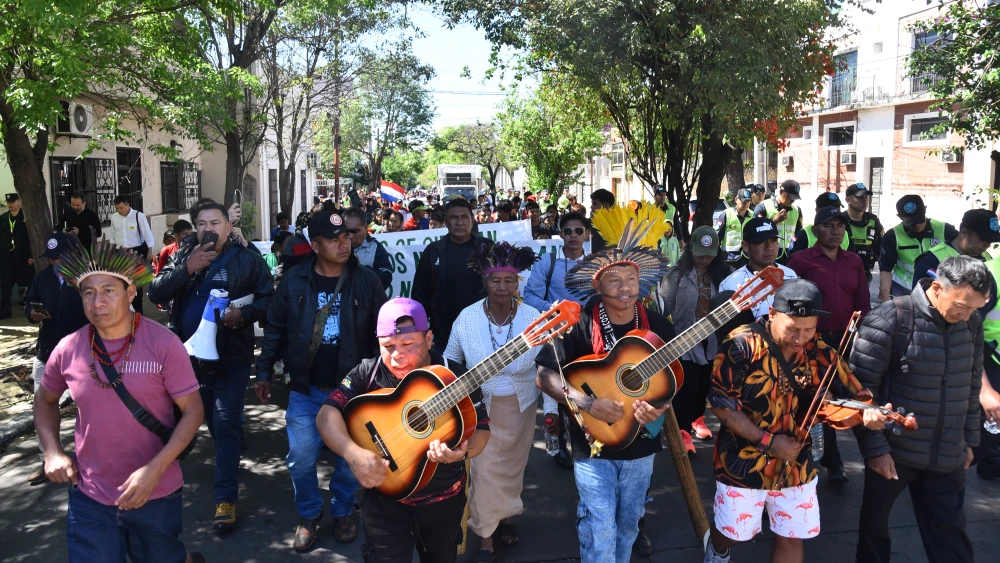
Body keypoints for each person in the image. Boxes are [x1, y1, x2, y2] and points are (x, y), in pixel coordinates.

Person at [33, 238, 206, 563]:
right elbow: (44, 401)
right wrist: (52, 451)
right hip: (90, 497)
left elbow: (193, 410)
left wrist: (156, 469)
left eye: (108, 290)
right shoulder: (68, 348)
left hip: (156, 492)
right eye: (88, 292)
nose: (97, 301)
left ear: (130, 293)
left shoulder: (163, 344)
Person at [703, 280, 888, 563]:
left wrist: (869, 412)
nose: (800, 338)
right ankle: (717, 547)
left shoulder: (819, 349)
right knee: (734, 532)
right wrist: (767, 441)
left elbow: (856, 392)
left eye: (809, 329)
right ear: (772, 313)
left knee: (792, 533)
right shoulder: (740, 345)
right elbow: (721, 405)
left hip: (796, 461)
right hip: (742, 458)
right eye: (792, 329)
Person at [536, 208, 674, 563]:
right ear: (597, 284)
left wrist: (660, 406)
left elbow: (672, 382)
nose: (624, 287)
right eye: (614, 280)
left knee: (629, 523)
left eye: (630, 278)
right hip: (591, 442)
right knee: (600, 526)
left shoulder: (658, 326)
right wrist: (586, 402)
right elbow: (545, 376)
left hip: (642, 443)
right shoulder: (579, 323)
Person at [317, 298, 490, 563]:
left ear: (429, 338)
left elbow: (482, 431)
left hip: (441, 502)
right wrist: (352, 454)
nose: (397, 356)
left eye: (408, 345)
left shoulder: (455, 377)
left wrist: (460, 455)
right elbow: (327, 413)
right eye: (388, 347)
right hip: (384, 501)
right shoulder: (369, 372)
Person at [256, 209, 387, 551]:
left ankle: (343, 509)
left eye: (347, 237)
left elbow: (382, 336)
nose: (344, 244)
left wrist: (383, 379)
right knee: (300, 457)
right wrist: (264, 369)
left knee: (349, 459)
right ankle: (310, 512)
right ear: (315, 245)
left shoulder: (367, 281)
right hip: (306, 389)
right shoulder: (294, 280)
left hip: (353, 392)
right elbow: (275, 327)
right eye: (334, 240)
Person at [851, 256, 987, 563]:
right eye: (962, 306)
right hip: (894, 451)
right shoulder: (890, 318)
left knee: (950, 534)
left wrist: (969, 439)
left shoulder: (971, 323)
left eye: (975, 309)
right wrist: (875, 450)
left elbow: (972, 384)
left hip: (947, 450)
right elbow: (860, 392)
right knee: (875, 530)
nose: (966, 316)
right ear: (937, 288)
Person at [147, 202, 274, 530]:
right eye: (201, 223)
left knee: (225, 421)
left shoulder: (247, 259)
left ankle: (225, 498)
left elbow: (268, 299)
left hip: (231, 358)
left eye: (215, 222)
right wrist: (186, 269)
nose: (208, 228)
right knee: (186, 425)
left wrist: (243, 315)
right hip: (185, 361)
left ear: (228, 227)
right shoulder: (182, 255)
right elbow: (155, 292)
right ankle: (156, 485)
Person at [444, 242, 542, 562]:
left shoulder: (533, 317)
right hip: (479, 407)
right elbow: (450, 359)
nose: (502, 287)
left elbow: (548, 366)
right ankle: (486, 535)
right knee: (484, 469)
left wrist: (553, 410)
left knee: (512, 468)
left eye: (509, 281)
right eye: (495, 280)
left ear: (518, 284)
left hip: (521, 406)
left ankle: (507, 517)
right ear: (485, 282)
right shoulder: (468, 318)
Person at [786, 207, 871, 484]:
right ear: (815, 230)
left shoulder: (854, 261)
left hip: (848, 339)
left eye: (839, 226)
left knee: (855, 397)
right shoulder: (799, 260)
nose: (835, 231)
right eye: (828, 226)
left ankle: (873, 455)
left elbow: (862, 303)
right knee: (819, 399)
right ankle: (831, 462)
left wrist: (862, 332)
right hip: (813, 341)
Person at [523, 211, 591, 468]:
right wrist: (552, 310)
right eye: (568, 231)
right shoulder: (547, 264)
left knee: (585, 388)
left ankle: (586, 440)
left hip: (588, 337)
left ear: (587, 235)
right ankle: (559, 444)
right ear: (560, 234)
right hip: (557, 337)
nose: (573, 236)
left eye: (578, 231)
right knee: (556, 391)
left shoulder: (597, 264)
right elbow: (529, 297)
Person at [659, 226, 732, 454]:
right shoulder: (676, 274)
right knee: (687, 385)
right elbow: (663, 309)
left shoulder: (726, 274)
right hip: (684, 339)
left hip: (713, 341)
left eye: (709, 254)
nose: (704, 259)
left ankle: (697, 418)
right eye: (699, 253)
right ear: (690, 250)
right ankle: (682, 431)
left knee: (705, 386)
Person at [23, 232, 88, 485]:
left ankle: (90, 457)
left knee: (91, 404)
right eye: (50, 258)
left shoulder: (85, 279)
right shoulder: (41, 278)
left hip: (82, 353)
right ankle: (48, 457)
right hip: (48, 352)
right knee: (42, 403)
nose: (54, 263)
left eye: (58, 257)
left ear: (73, 254)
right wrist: (32, 313)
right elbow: (30, 303)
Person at [412, 198, 494, 354]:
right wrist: (421, 331)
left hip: (483, 328)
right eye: (454, 218)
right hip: (443, 332)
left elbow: (501, 285)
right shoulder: (433, 251)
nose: (459, 222)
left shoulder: (487, 247)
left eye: (464, 217)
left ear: (472, 220)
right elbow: (420, 294)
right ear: (446, 222)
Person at [911, 208, 1000, 311]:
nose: (988, 245)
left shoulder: (985, 256)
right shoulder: (932, 259)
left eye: (991, 240)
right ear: (964, 233)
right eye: (983, 238)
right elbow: (920, 304)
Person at [878, 194, 957, 302]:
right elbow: (885, 269)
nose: (916, 225)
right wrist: (885, 301)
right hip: (903, 291)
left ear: (925, 210)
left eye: (919, 219)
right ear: (900, 217)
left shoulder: (945, 230)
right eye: (911, 222)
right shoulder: (892, 236)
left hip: (938, 290)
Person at [719, 217, 798, 320]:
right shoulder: (729, 285)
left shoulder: (790, 274)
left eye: (774, 240)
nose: (769, 247)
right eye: (761, 241)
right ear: (746, 246)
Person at [110, 195, 154, 313]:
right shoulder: (114, 217)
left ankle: (138, 311)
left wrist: (150, 250)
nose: (119, 211)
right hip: (120, 253)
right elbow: (113, 236)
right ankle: (125, 310)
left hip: (136, 253)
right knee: (122, 282)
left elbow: (147, 234)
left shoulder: (138, 216)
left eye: (121, 208)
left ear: (127, 204)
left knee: (136, 284)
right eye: (117, 208)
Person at [789, 192, 857, 255]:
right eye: (828, 209)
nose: (833, 212)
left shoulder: (845, 235)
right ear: (817, 210)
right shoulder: (804, 235)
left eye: (837, 208)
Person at [843, 182, 884, 282]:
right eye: (859, 197)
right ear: (848, 200)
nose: (864, 201)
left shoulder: (873, 221)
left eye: (866, 197)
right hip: (842, 272)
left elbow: (881, 249)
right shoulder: (840, 221)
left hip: (865, 274)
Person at [0, 193, 33, 318]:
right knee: (6, 283)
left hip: (23, 256)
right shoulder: (3, 218)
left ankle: (29, 308)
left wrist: (31, 255)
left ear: (19, 202)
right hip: (7, 257)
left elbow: (31, 238)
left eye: (13, 202)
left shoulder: (26, 218)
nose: (10, 205)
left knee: (29, 280)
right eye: (8, 202)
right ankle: (5, 311)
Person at [344, 207, 393, 289]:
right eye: (347, 231)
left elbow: (385, 279)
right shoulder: (336, 247)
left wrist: (360, 268)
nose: (351, 236)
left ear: (366, 229)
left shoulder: (376, 247)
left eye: (355, 231)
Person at [753, 179, 803, 259]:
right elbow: (755, 231)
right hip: (767, 255)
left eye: (794, 198)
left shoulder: (797, 210)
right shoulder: (763, 207)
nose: (792, 200)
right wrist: (774, 222)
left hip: (789, 256)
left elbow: (798, 233)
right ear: (781, 192)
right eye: (789, 197)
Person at [716, 188, 754, 262]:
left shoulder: (753, 215)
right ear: (736, 199)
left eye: (748, 201)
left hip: (748, 257)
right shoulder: (726, 214)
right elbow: (717, 236)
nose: (746, 204)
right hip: (729, 258)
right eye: (743, 201)